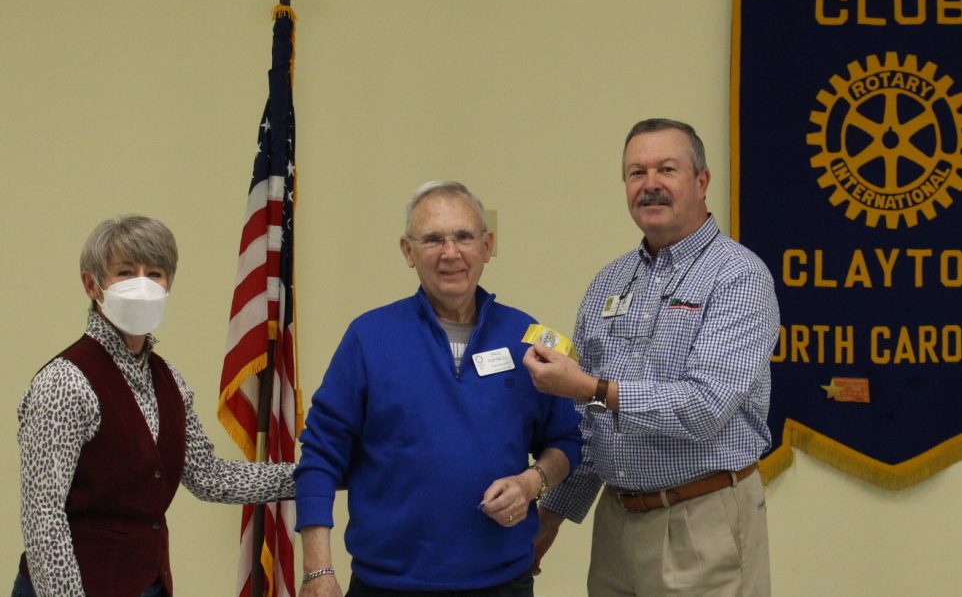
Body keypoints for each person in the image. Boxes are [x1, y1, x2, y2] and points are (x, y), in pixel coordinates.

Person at [523, 118, 781, 597]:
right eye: (636, 173)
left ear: (701, 182)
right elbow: (590, 421)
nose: (651, 185)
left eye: (667, 169)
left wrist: (591, 388)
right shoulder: (609, 281)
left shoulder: (739, 277)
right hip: (617, 526)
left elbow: (705, 407)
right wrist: (551, 516)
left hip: (703, 521)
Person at [294, 180, 582, 597]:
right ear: (407, 252)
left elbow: (566, 441)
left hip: (503, 584)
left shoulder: (526, 337)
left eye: (464, 236)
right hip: (386, 586)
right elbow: (320, 455)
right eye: (432, 239)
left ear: (487, 245)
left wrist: (532, 482)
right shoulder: (369, 338)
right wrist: (316, 570)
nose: (450, 253)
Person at [13, 214, 296, 597]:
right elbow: (43, 518)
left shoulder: (170, 380)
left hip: (150, 584)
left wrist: (311, 474)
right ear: (91, 284)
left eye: (155, 273)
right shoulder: (64, 381)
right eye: (125, 272)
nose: (142, 285)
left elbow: (208, 477)